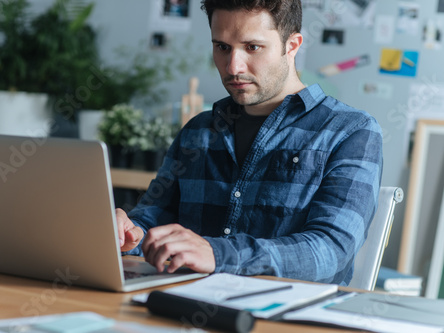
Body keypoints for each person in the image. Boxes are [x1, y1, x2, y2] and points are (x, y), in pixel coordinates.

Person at [117, 0, 383, 286]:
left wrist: (218, 254)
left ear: (292, 46)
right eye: (222, 47)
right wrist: (125, 233)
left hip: (287, 317)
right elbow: (150, 222)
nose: (233, 67)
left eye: (252, 47)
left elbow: (331, 250)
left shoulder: (351, 131)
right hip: (182, 302)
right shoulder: (198, 130)